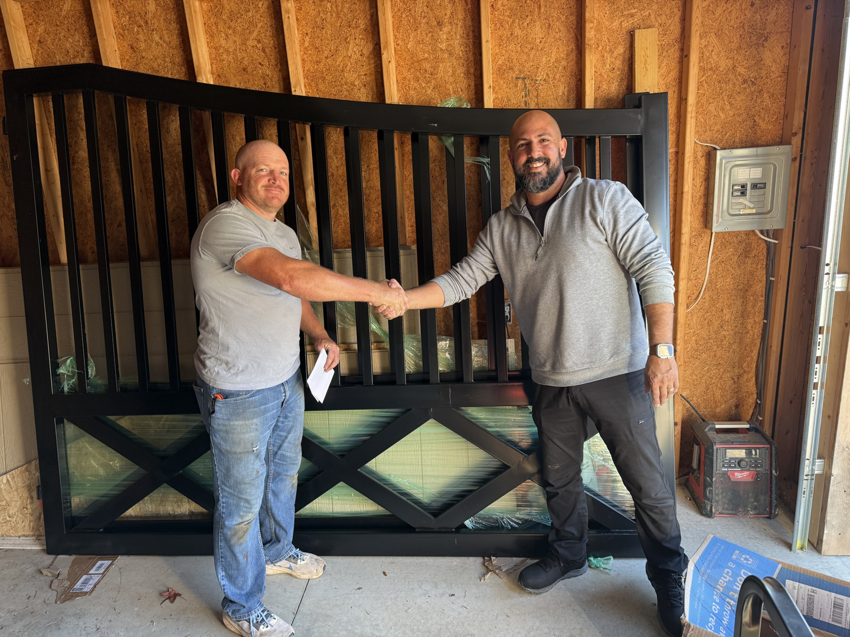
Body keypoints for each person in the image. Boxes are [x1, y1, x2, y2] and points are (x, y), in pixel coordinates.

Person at [380, 111, 688, 637]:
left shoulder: (604, 199)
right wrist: (405, 298)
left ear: (562, 147)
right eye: (522, 145)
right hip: (550, 379)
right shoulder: (503, 228)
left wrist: (663, 347)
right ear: (512, 157)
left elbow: (653, 267)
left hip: (619, 373)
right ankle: (569, 555)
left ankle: (667, 578)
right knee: (559, 479)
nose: (534, 151)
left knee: (649, 487)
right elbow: (461, 280)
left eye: (543, 140)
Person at [191, 139, 408, 637]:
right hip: (238, 389)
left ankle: (276, 552)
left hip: (285, 378)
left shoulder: (283, 232)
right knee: (240, 503)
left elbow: (292, 293)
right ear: (236, 177)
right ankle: (242, 606)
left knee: (283, 475)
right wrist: (377, 291)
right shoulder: (226, 225)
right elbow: (290, 277)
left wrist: (320, 334)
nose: (275, 179)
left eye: (282, 171)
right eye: (262, 170)